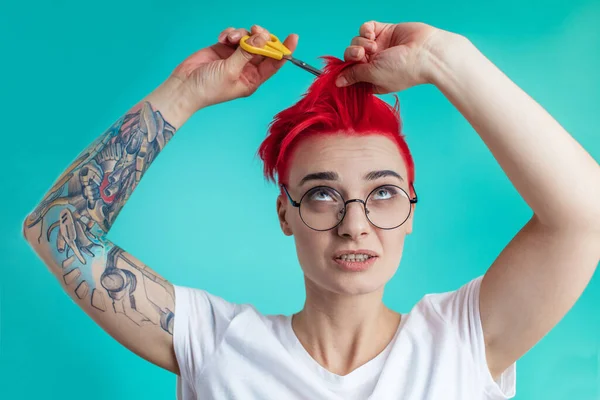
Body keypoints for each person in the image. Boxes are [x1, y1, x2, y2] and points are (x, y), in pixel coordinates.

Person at [22, 20, 600, 400]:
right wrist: (186, 92)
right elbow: (57, 229)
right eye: (323, 193)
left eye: (382, 194)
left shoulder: (465, 340)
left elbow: (585, 215)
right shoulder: (219, 346)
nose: (355, 224)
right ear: (285, 213)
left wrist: (445, 61)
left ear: (412, 209)